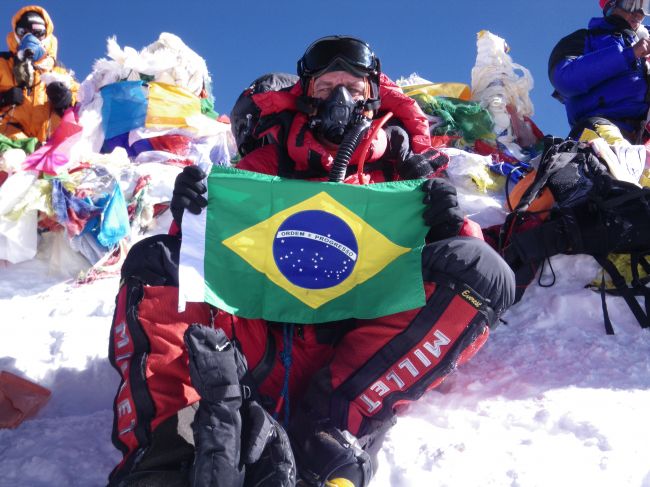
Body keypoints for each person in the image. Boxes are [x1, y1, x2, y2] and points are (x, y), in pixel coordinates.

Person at [107, 35, 516, 487]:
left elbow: (461, 266)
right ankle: (167, 448)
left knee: (481, 270)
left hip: (347, 358)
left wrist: (449, 227)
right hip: (255, 349)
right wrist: (190, 217)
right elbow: (198, 262)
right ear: (307, 96)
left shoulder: (402, 175)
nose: (339, 98)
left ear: (373, 97)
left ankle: (333, 430)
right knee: (155, 261)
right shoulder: (264, 164)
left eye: (353, 87)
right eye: (325, 88)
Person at [549, 0, 650, 143]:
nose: (639, 13)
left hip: (641, 136)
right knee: (619, 160)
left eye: (645, 7)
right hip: (600, 130)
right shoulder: (586, 38)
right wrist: (629, 54)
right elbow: (564, 78)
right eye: (630, 4)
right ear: (611, 4)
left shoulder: (643, 39)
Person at [0, 6, 77, 142]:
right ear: (16, 35)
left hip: (50, 148)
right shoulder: (3, 64)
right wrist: (4, 98)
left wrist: (66, 101)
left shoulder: (60, 72)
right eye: (23, 31)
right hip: (9, 143)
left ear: (46, 34)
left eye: (37, 32)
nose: (29, 37)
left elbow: (85, 105)